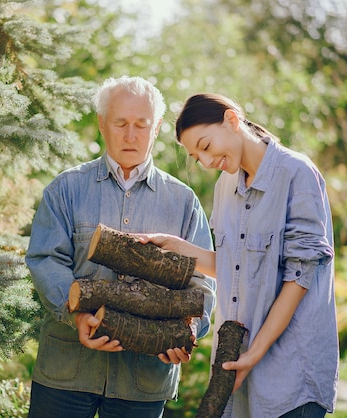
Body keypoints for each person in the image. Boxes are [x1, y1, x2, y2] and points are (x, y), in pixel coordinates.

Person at [24, 77, 216, 418]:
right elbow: (45, 259)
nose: (131, 135)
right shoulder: (66, 189)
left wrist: (186, 331)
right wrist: (76, 314)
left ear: (156, 128)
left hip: (143, 381)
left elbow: (203, 283)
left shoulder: (183, 202)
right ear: (101, 124)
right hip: (66, 373)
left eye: (142, 125)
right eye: (121, 123)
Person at [138, 93, 339, 418]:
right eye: (195, 155)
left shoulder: (296, 173)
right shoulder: (224, 187)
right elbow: (236, 268)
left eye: (204, 146)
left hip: (290, 374)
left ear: (232, 120)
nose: (204, 161)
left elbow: (299, 278)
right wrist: (175, 246)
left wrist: (255, 352)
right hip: (236, 364)